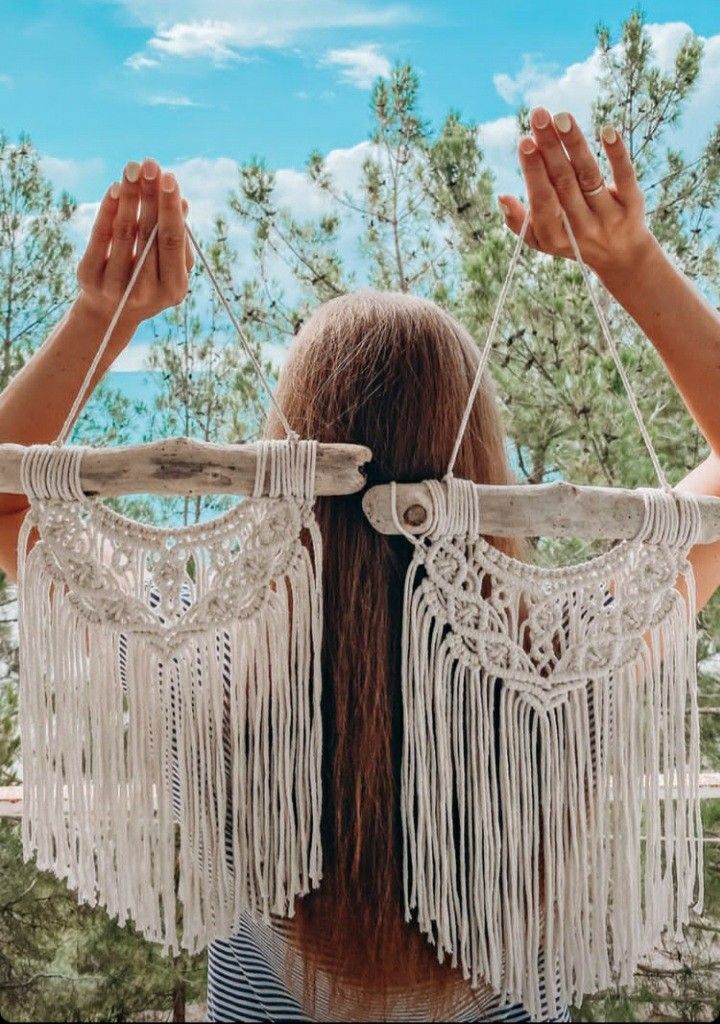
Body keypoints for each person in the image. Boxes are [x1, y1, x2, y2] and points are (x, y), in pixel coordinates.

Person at [0, 105, 718, 1022]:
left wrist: (104, 316)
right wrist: (630, 264)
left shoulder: (206, 670)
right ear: (481, 468)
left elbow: (9, 500)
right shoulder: (562, 665)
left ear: (283, 462)